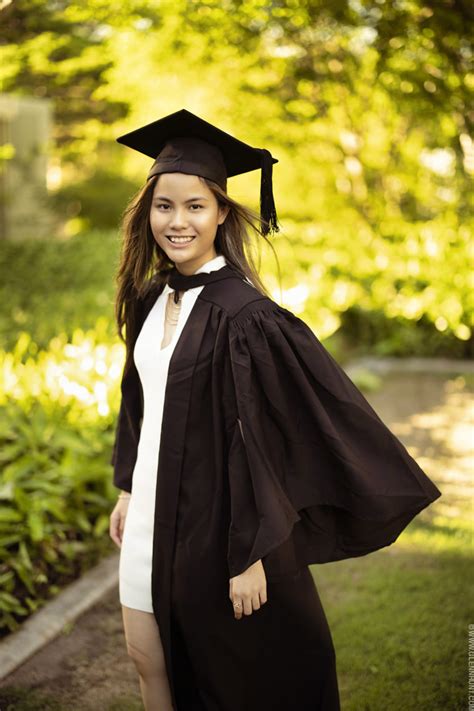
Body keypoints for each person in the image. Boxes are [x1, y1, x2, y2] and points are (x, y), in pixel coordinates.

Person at [108, 108, 441, 711]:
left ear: (221, 214)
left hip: (217, 525)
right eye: (164, 206)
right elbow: (141, 402)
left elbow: (264, 441)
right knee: (145, 656)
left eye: (194, 206)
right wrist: (129, 488)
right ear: (146, 213)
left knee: (234, 678)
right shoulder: (151, 297)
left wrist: (254, 552)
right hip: (152, 514)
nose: (177, 221)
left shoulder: (246, 317)